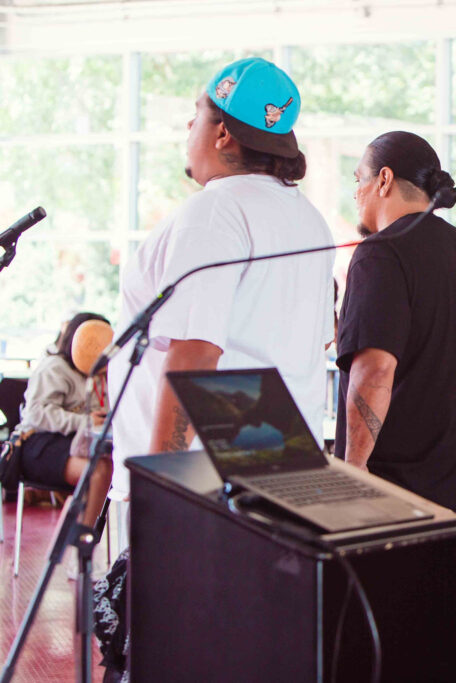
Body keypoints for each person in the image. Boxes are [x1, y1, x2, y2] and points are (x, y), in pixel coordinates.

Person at [109, 57, 335, 509]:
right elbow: (321, 342)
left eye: (197, 114)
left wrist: (160, 492)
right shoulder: (309, 220)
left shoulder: (214, 210)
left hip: (202, 487)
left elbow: (194, 353)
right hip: (280, 475)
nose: (189, 126)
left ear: (222, 132)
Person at [335, 131, 456, 683]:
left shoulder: (382, 254)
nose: (356, 192)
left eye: (359, 180)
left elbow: (375, 370)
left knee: (395, 648)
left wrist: (349, 476)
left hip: (401, 502)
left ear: (383, 179)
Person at [15, 312, 113, 528]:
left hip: (76, 442)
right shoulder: (54, 367)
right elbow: (35, 414)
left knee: (115, 464)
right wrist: (84, 421)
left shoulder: (98, 373)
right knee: (99, 470)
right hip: (38, 443)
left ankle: (85, 537)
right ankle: (82, 542)